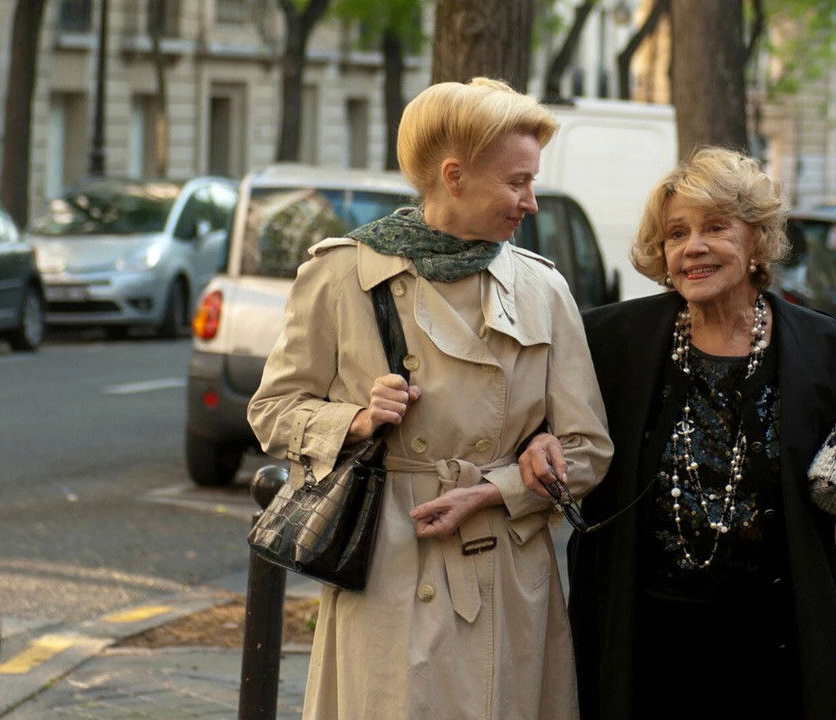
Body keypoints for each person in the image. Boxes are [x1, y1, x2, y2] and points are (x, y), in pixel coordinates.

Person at [519, 147, 836, 719]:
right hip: (642, 634)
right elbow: (543, 421)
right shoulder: (612, 340)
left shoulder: (823, 347)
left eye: (715, 227)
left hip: (775, 639)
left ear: (757, 240)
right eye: (676, 233)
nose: (692, 247)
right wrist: (541, 439)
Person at [248, 77, 613, 720]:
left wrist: (499, 488)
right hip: (390, 564)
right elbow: (272, 410)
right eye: (517, 182)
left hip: (505, 569)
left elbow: (587, 449)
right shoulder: (343, 274)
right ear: (454, 175)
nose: (530, 202)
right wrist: (357, 419)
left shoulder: (543, 288)